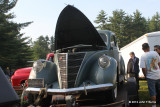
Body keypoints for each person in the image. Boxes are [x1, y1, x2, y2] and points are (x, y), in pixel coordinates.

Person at [140, 43, 160, 107]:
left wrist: (145, 75)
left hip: (150, 77)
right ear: (149, 47)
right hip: (158, 75)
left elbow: (143, 68)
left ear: (143, 49)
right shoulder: (155, 53)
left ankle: (154, 105)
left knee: (152, 92)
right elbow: (159, 63)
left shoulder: (143, 56)